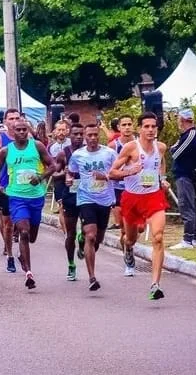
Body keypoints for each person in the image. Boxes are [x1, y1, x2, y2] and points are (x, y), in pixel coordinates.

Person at [110, 112, 169, 300]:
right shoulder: (130, 148)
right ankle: (128, 249)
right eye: (147, 126)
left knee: (158, 237)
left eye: (154, 126)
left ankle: (155, 284)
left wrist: (163, 180)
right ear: (140, 128)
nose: (151, 130)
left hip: (153, 197)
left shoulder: (161, 148)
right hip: (132, 198)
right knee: (131, 238)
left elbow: (161, 165)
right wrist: (130, 171)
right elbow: (112, 173)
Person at [0, 119, 55, 290]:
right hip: (16, 197)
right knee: (24, 231)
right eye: (17, 130)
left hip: (36, 196)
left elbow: (52, 165)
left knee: (32, 236)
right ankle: (28, 273)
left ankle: (23, 256)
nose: (21, 132)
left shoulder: (37, 146)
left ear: (28, 130)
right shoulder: (6, 151)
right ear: (12, 132)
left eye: (24, 129)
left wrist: (41, 177)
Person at [67, 123, 117, 290]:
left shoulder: (109, 153)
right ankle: (92, 277)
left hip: (105, 199)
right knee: (90, 235)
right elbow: (71, 171)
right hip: (86, 198)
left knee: (98, 239)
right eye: (90, 135)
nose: (93, 138)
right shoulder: (77, 155)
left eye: (96, 135)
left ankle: (83, 244)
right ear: (85, 137)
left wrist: (106, 176)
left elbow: (118, 173)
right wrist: (69, 178)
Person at [0, 108, 21, 272]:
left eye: (17, 117)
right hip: (6, 187)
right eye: (11, 118)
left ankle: (22, 250)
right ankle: (9, 254)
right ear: (5, 121)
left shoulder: (28, 139)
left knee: (24, 224)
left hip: (24, 187)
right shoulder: (0, 139)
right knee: (7, 224)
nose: (14, 121)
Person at [169, 109, 196, 250]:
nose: (178, 122)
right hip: (189, 175)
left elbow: (175, 152)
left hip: (185, 175)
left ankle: (188, 239)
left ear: (183, 120)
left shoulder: (191, 135)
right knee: (193, 206)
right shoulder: (187, 135)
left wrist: (174, 148)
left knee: (187, 206)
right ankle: (195, 238)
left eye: (179, 119)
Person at [56, 123, 86, 281]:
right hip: (70, 196)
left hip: (88, 195)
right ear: (70, 136)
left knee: (88, 231)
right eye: (75, 134)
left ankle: (82, 242)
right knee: (70, 233)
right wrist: (64, 175)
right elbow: (53, 173)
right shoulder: (64, 153)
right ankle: (71, 264)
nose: (79, 137)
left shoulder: (91, 152)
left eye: (81, 134)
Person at [107, 114, 136, 237]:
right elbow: (108, 170)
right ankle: (127, 250)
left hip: (135, 187)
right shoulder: (112, 146)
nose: (127, 127)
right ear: (118, 127)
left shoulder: (140, 143)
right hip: (117, 187)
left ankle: (129, 242)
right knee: (123, 227)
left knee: (138, 227)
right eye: (124, 125)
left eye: (129, 124)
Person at [49, 120, 72, 235]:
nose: (61, 132)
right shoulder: (51, 147)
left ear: (67, 131)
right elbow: (50, 167)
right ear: (54, 131)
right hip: (59, 180)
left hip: (73, 180)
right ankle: (66, 234)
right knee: (62, 206)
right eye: (59, 130)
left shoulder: (73, 143)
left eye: (64, 130)